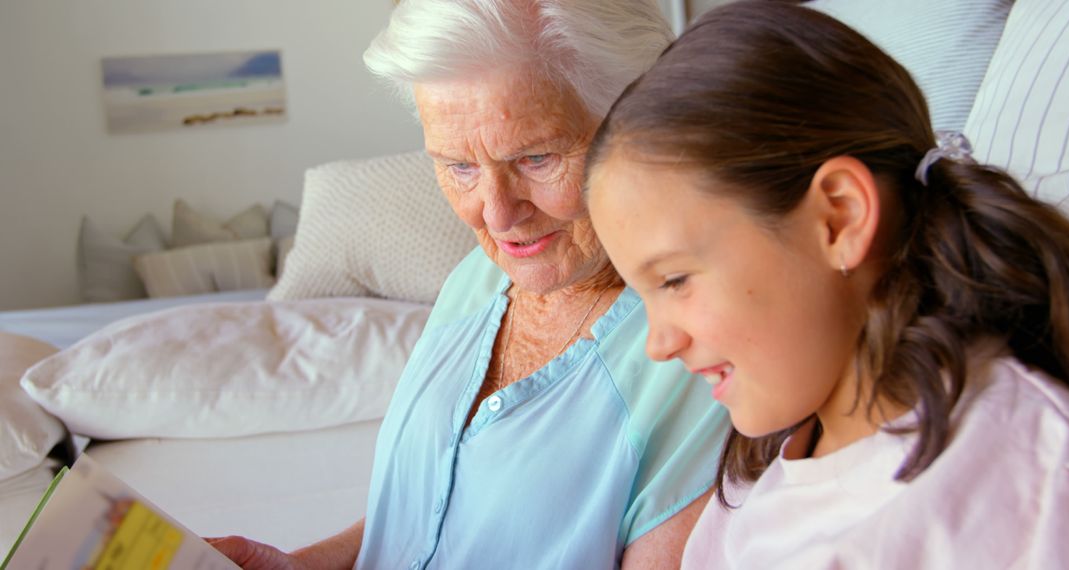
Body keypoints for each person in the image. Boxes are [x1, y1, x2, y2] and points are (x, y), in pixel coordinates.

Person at [209, 1, 729, 568]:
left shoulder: (704, 359)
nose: (497, 215)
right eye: (459, 167)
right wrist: (298, 565)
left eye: (535, 157)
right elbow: (433, 512)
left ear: (644, 125)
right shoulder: (479, 278)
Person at [585, 2, 1069, 568]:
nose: (658, 343)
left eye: (674, 280)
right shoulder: (754, 486)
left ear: (839, 218)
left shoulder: (1031, 485)